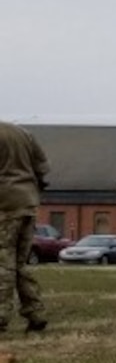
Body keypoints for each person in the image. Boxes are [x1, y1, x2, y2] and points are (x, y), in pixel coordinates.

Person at [0, 119, 52, 334]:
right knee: (20, 262)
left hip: (5, 204)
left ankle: (1, 315)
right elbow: (43, 169)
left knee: (3, 260)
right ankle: (35, 312)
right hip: (28, 202)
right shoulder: (22, 133)